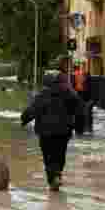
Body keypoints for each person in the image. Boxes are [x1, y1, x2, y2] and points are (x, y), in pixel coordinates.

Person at [22, 58, 83, 192]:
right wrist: (79, 127)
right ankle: (58, 174)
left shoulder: (41, 95)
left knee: (48, 156)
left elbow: (31, 111)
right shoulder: (69, 93)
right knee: (60, 154)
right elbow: (79, 109)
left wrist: (24, 120)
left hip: (45, 132)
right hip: (64, 131)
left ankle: (52, 179)